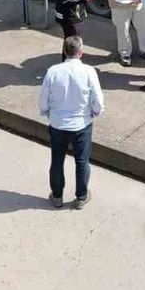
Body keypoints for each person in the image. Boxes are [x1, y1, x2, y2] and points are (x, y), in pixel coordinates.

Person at [38, 35, 104, 210]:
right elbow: (98, 100)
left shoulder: (53, 71)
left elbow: (43, 100)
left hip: (58, 124)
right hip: (82, 125)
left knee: (57, 161)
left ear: (64, 51)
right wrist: (95, 112)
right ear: (80, 52)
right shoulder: (89, 72)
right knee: (82, 161)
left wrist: (47, 112)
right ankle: (81, 197)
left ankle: (57, 196)